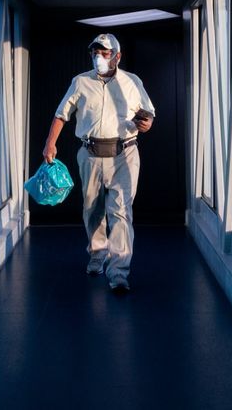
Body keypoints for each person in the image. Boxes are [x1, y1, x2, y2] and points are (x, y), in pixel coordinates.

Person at [42, 33, 155, 292]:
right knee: (93, 208)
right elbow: (62, 114)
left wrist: (146, 124)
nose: (99, 58)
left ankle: (118, 272)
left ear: (117, 55)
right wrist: (50, 143)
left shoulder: (132, 82)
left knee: (121, 212)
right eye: (95, 53)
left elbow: (149, 117)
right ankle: (97, 253)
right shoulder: (80, 82)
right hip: (91, 154)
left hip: (124, 153)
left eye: (104, 53)